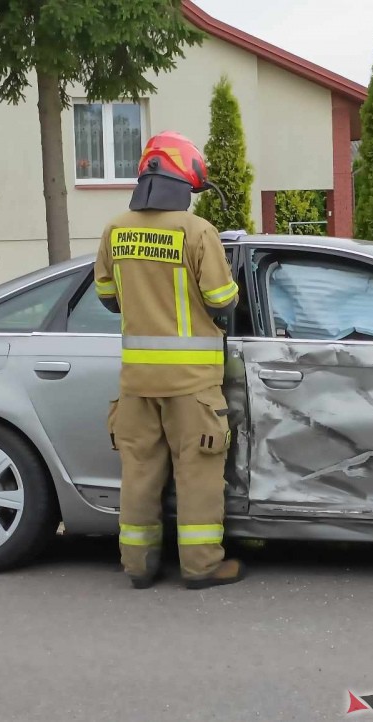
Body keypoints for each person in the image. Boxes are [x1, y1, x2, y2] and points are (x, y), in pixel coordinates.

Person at [94, 130, 244, 590]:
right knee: (197, 474)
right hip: (191, 383)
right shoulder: (196, 232)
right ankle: (201, 567)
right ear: (185, 182)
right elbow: (222, 301)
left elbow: (107, 298)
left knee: (139, 473)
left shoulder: (116, 230)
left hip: (137, 383)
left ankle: (138, 566)